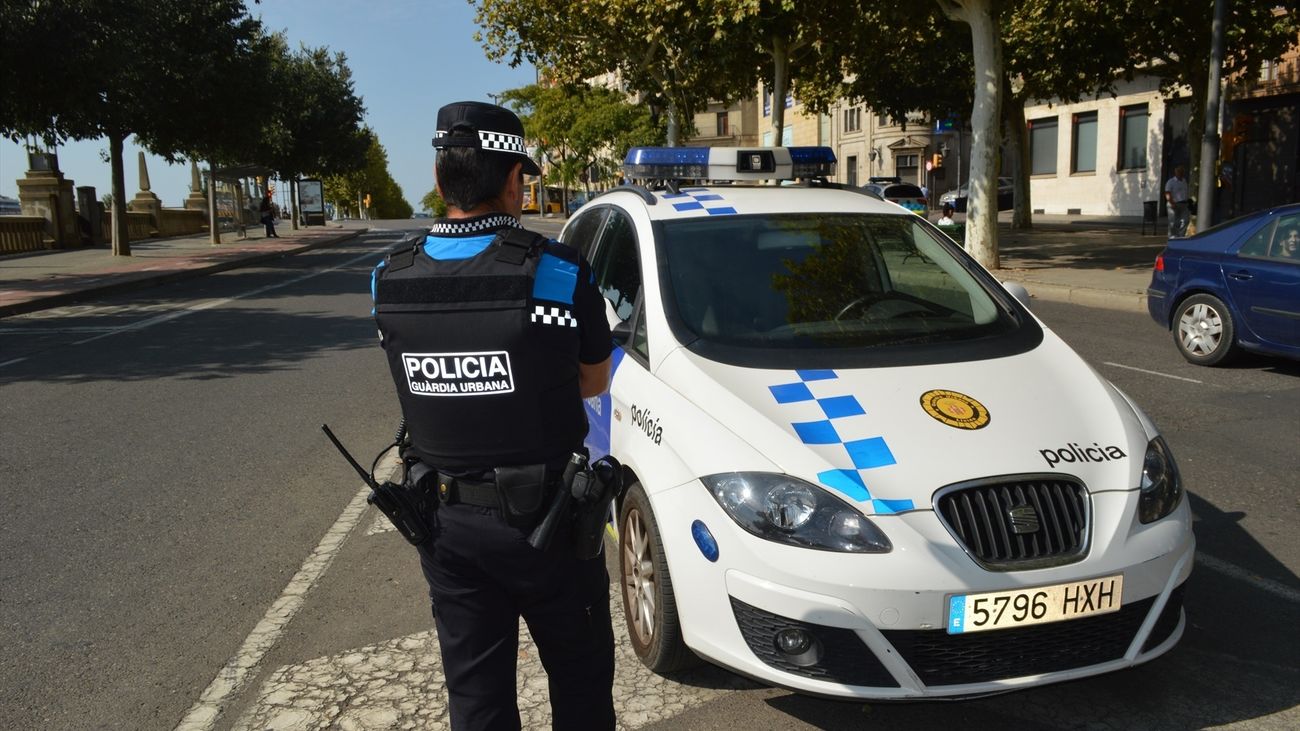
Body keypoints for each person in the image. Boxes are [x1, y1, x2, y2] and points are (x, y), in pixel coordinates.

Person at [370, 101, 615, 731]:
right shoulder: (557, 272)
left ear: (437, 176)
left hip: (445, 524)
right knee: (581, 685)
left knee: (476, 699)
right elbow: (594, 380)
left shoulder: (388, 278)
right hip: (549, 525)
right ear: (512, 180)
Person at [1164, 166, 1190, 238]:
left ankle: (1181, 235)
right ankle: (1172, 236)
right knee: (1173, 222)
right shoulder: (1171, 182)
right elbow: (1167, 193)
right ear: (1175, 173)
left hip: (1184, 204)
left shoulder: (1184, 181)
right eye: (1179, 172)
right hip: (1174, 203)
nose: (1180, 173)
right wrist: (1172, 203)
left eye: (1181, 172)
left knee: (1186, 220)